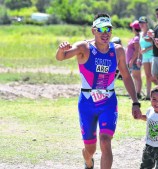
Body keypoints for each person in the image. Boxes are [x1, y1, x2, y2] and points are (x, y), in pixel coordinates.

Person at [55, 13, 142, 169]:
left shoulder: (117, 51)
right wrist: (62, 50)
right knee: (90, 149)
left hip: (108, 102)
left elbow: (127, 77)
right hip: (87, 103)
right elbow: (61, 57)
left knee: (105, 141)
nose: (105, 33)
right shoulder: (84, 47)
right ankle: (88, 161)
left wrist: (135, 102)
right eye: (101, 29)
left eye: (108, 29)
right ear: (93, 31)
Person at [138, 16, 153, 100]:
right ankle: (148, 95)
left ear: (147, 23)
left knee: (153, 76)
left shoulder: (150, 32)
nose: (142, 25)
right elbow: (140, 47)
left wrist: (146, 49)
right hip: (145, 57)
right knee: (147, 76)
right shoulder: (140, 34)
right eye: (140, 23)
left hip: (152, 56)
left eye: (143, 23)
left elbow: (155, 44)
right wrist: (139, 58)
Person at [127, 20, 143, 99]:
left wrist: (132, 60)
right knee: (135, 77)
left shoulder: (137, 38)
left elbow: (137, 50)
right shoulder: (136, 37)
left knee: (137, 77)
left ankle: (138, 93)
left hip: (135, 61)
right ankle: (136, 93)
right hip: (134, 61)